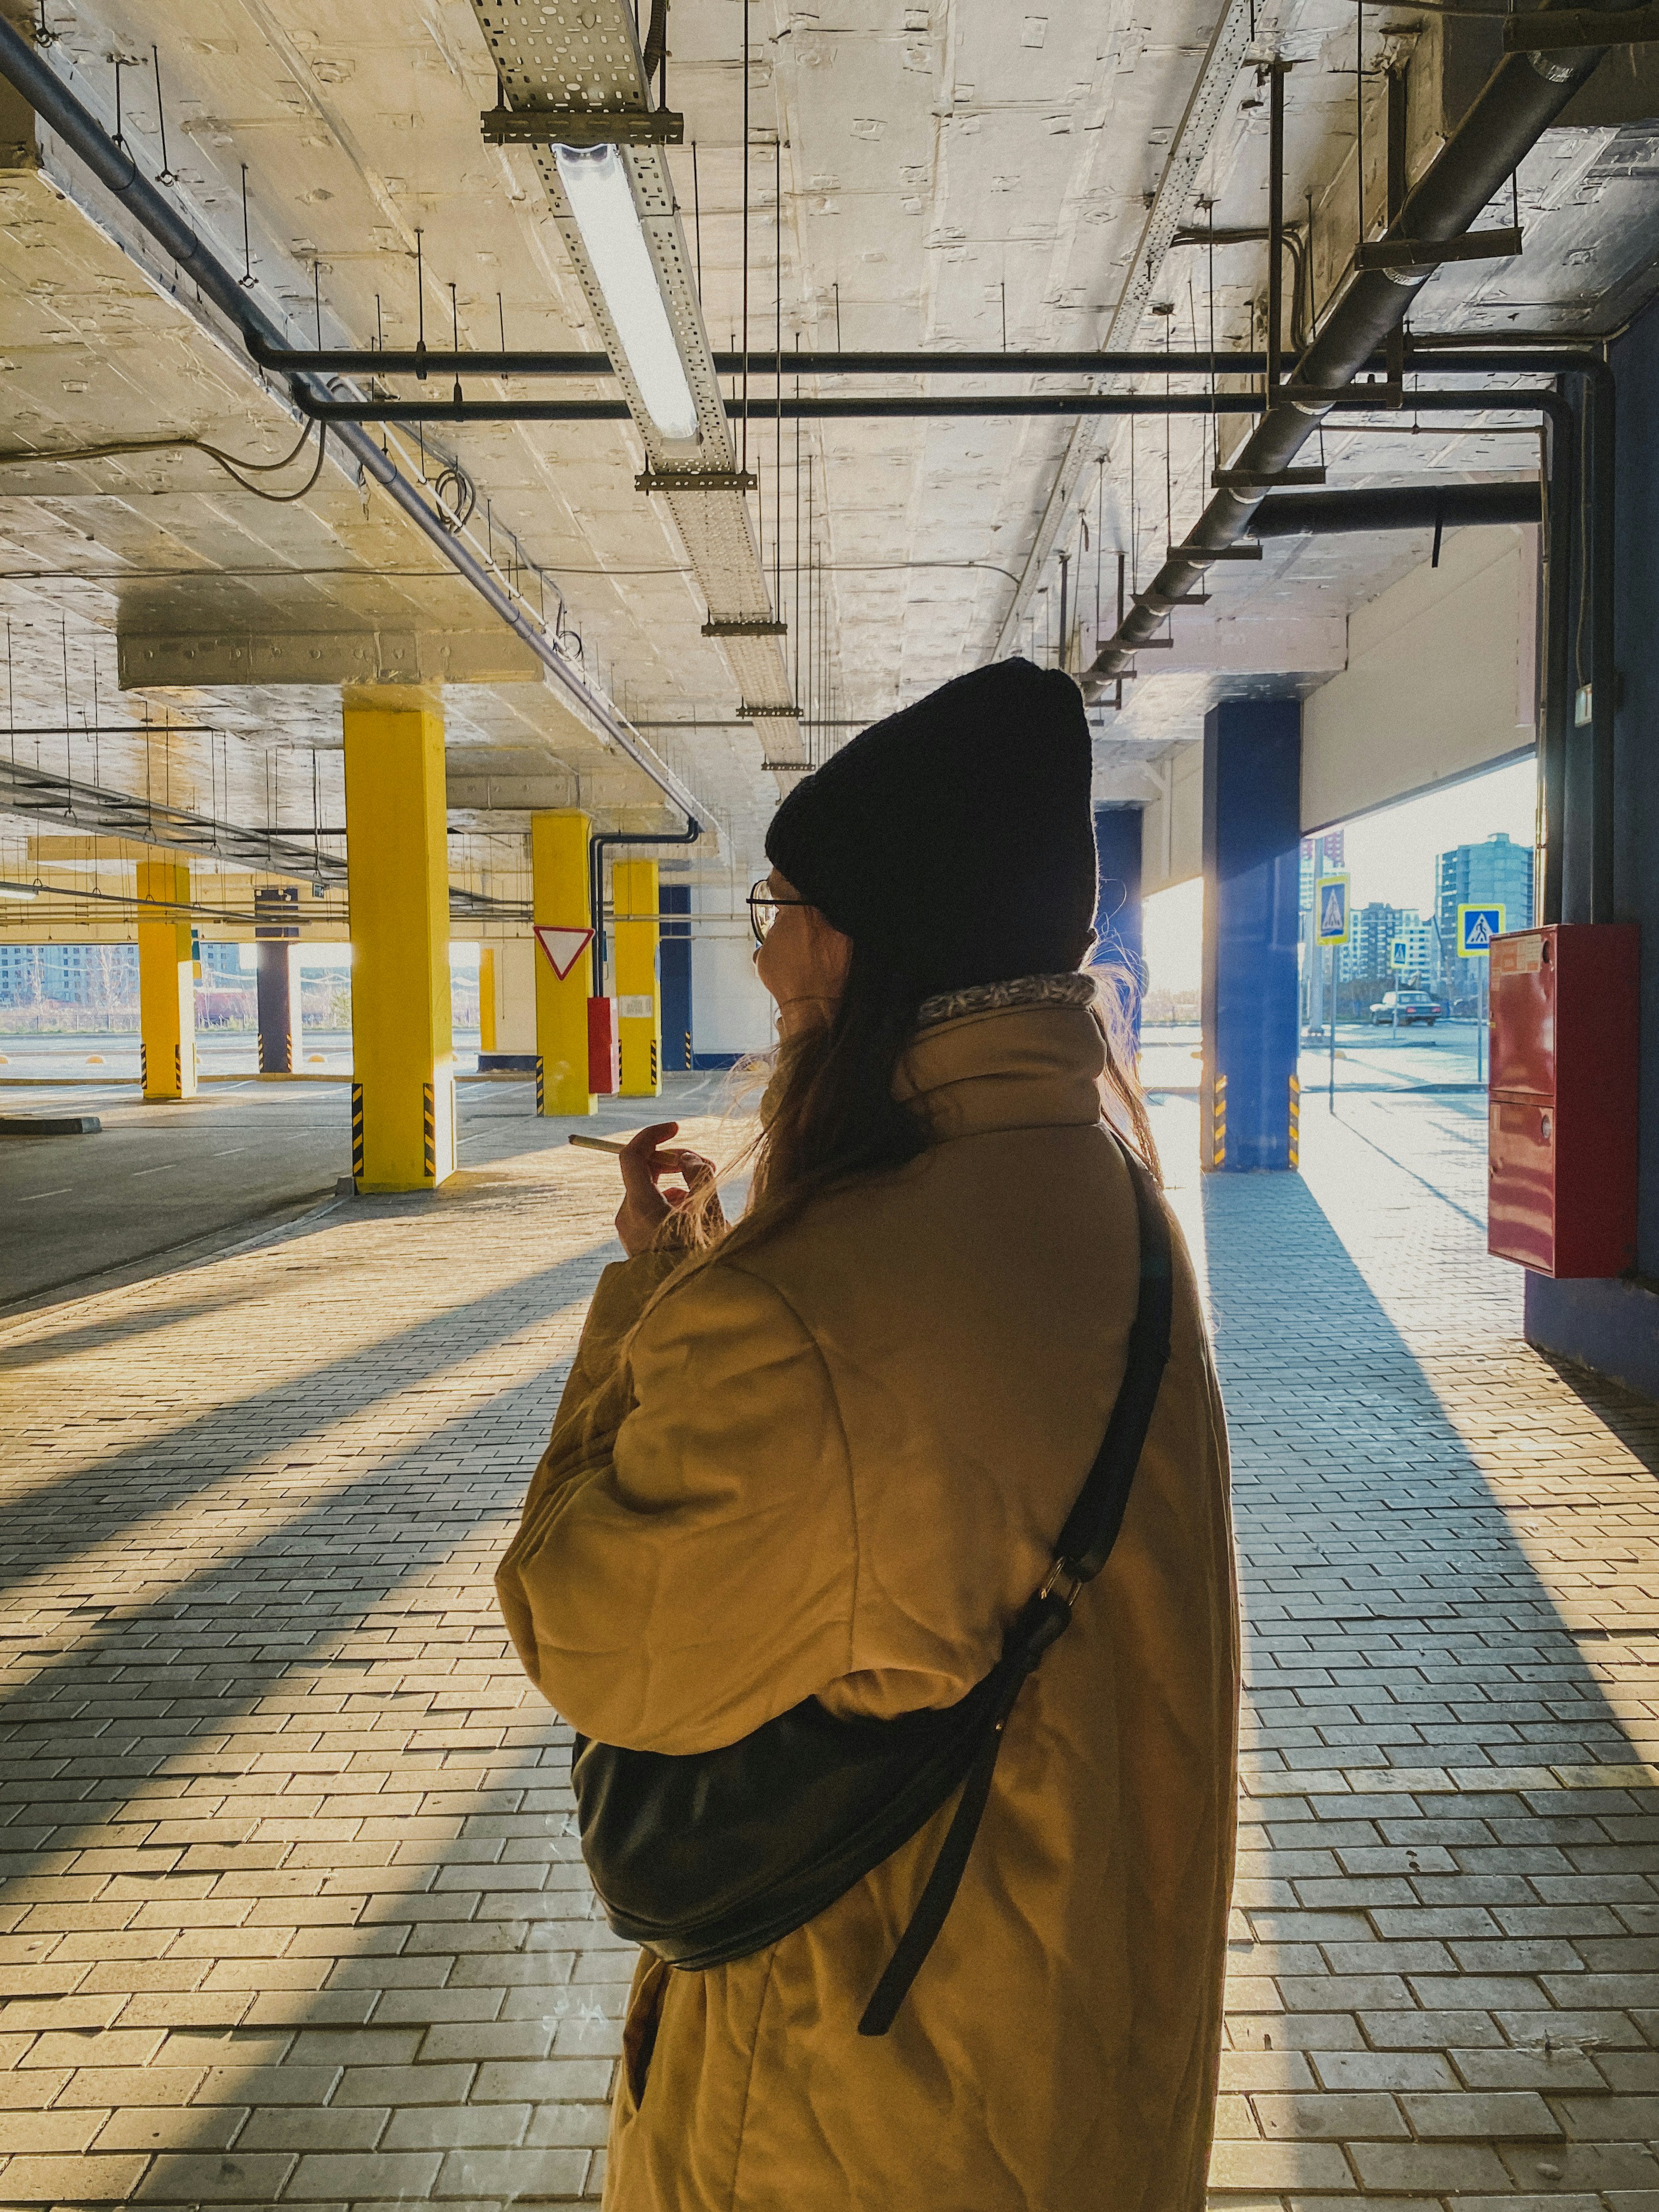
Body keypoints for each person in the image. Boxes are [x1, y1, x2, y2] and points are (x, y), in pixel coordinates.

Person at [497, 657, 1238, 2212]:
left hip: (865, 2105)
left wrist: (649, 1303)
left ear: (852, 939)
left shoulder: (809, 1305)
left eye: (777, 906)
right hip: (1074, 2049)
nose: (764, 958)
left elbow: (586, 1632)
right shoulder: (1111, 1193)